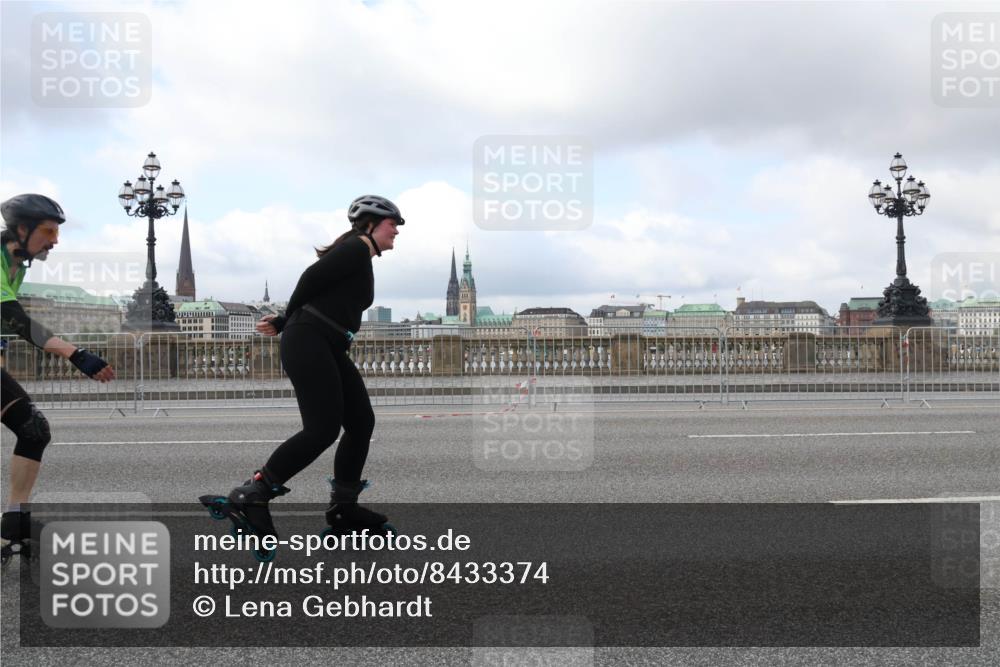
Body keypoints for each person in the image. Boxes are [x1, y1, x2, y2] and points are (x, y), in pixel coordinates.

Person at [220, 195, 403, 540]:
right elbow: (310, 278)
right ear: (370, 224)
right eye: (392, 224)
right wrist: (288, 319)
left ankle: (344, 508)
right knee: (322, 430)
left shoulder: (359, 253)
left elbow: (321, 289)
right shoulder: (356, 248)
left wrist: (289, 319)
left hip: (327, 343)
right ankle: (253, 494)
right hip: (309, 340)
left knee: (361, 423)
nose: (397, 231)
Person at [0, 194, 115, 564]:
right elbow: (17, 319)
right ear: (22, 229)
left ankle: (13, 526)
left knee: (33, 430)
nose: (55, 240)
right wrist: (76, 353)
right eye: (48, 231)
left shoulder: (16, 264)